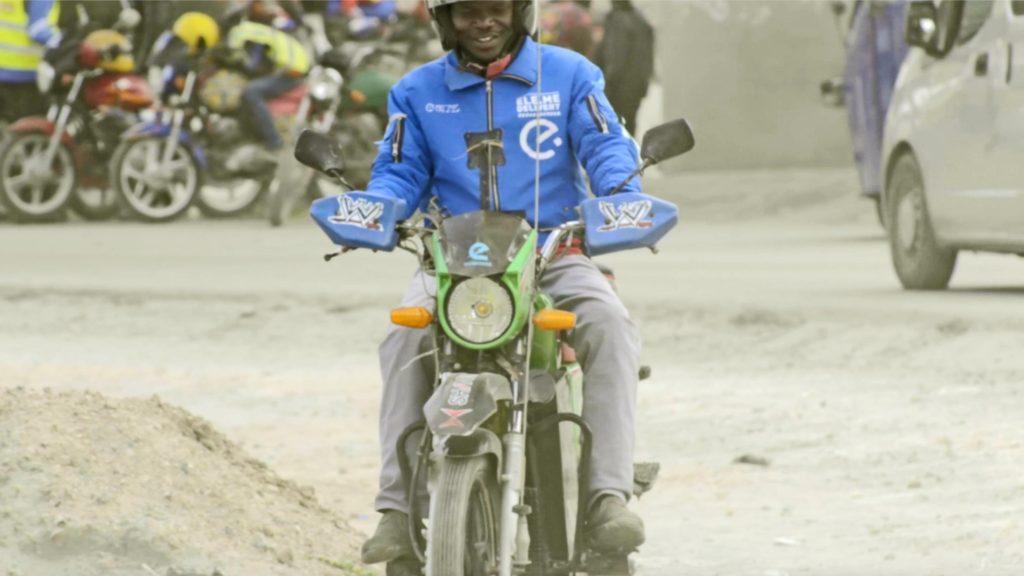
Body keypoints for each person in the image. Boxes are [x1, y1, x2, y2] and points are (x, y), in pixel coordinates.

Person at [358, 0, 647, 567]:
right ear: (446, 21)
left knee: (610, 324)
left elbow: (606, 144)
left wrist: (621, 194)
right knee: (403, 339)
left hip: (552, 252)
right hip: (452, 263)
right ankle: (396, 509)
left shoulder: (570, 75)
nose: (484, 23)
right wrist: (378, 207)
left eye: (496, 9)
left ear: (520, 12)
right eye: (469, 12)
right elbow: (399, 169)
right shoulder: (415, 92)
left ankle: (607, 499)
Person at [593, 0, 653, 134]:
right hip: (635, 89)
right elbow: (648, 60)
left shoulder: (617, 21)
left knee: (613, 132)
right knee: (628, 130)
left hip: (617, 89)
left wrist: (605, 85)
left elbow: (615, 58)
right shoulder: (642, 21)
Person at [0, 0, 59, 124]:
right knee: (25, 128)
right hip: (25, 75)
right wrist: (66, 43)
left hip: (6, 73)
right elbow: (38, 31)